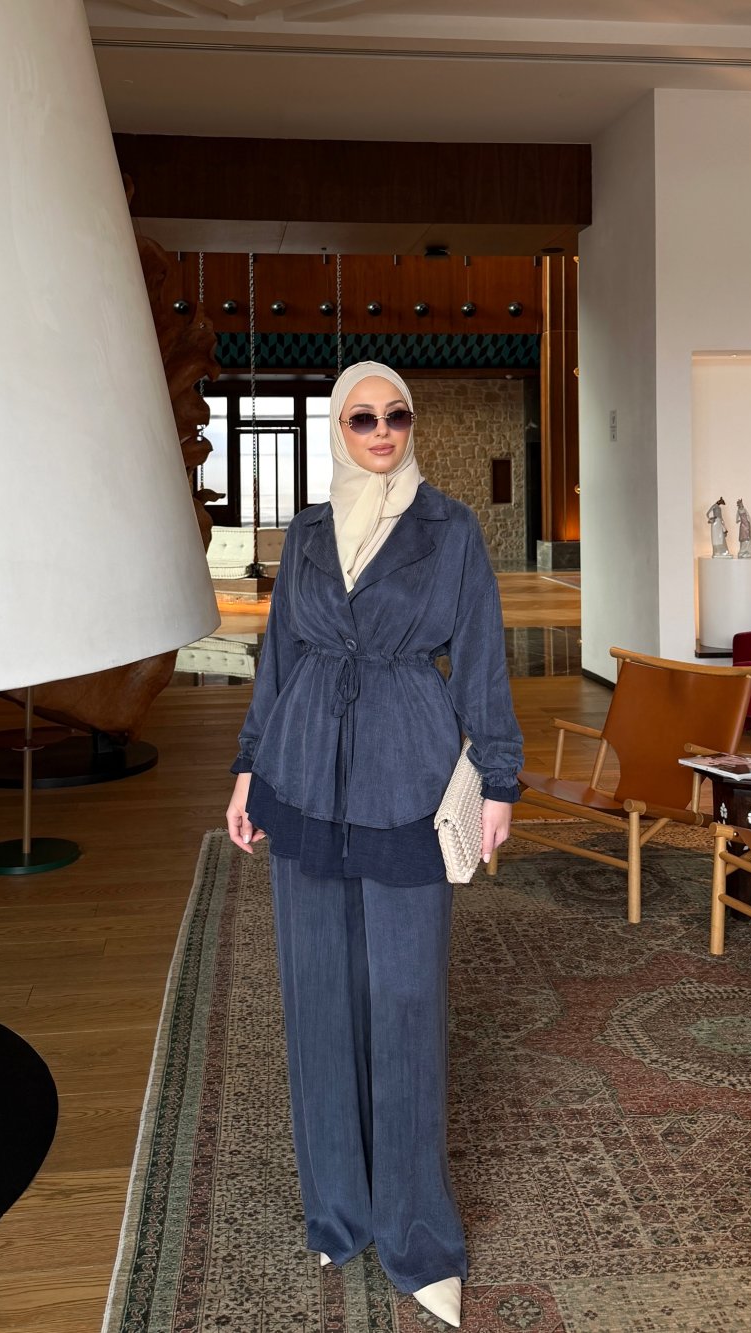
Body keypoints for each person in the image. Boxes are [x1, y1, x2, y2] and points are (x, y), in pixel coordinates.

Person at [225, 361, 523, 1329]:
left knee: (405, 1000)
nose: (383, 429)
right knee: (317, 994)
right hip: (303, 769)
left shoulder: (450, 528)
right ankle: (338, 1210)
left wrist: (500, 778)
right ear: (339, 429)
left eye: (397, 414)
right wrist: (248, 769)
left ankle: (416, 1234)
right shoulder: (309, 532)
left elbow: (481, 656)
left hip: (408, 772)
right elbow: (277, 661)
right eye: (363, 417)